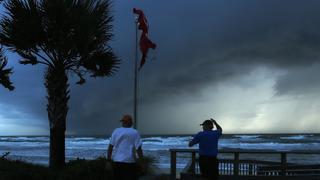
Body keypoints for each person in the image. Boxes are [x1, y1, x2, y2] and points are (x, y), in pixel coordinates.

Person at [107, 114, 143, 180]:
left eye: (123, 121)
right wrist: (141, 161)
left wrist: (109, 160)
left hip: (117, 162)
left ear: (124, 122)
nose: (122, 123)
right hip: (129, 162)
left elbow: (110, 146)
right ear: (131, 123)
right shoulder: (135, 132)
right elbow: (139, 148)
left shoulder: (116, 131)